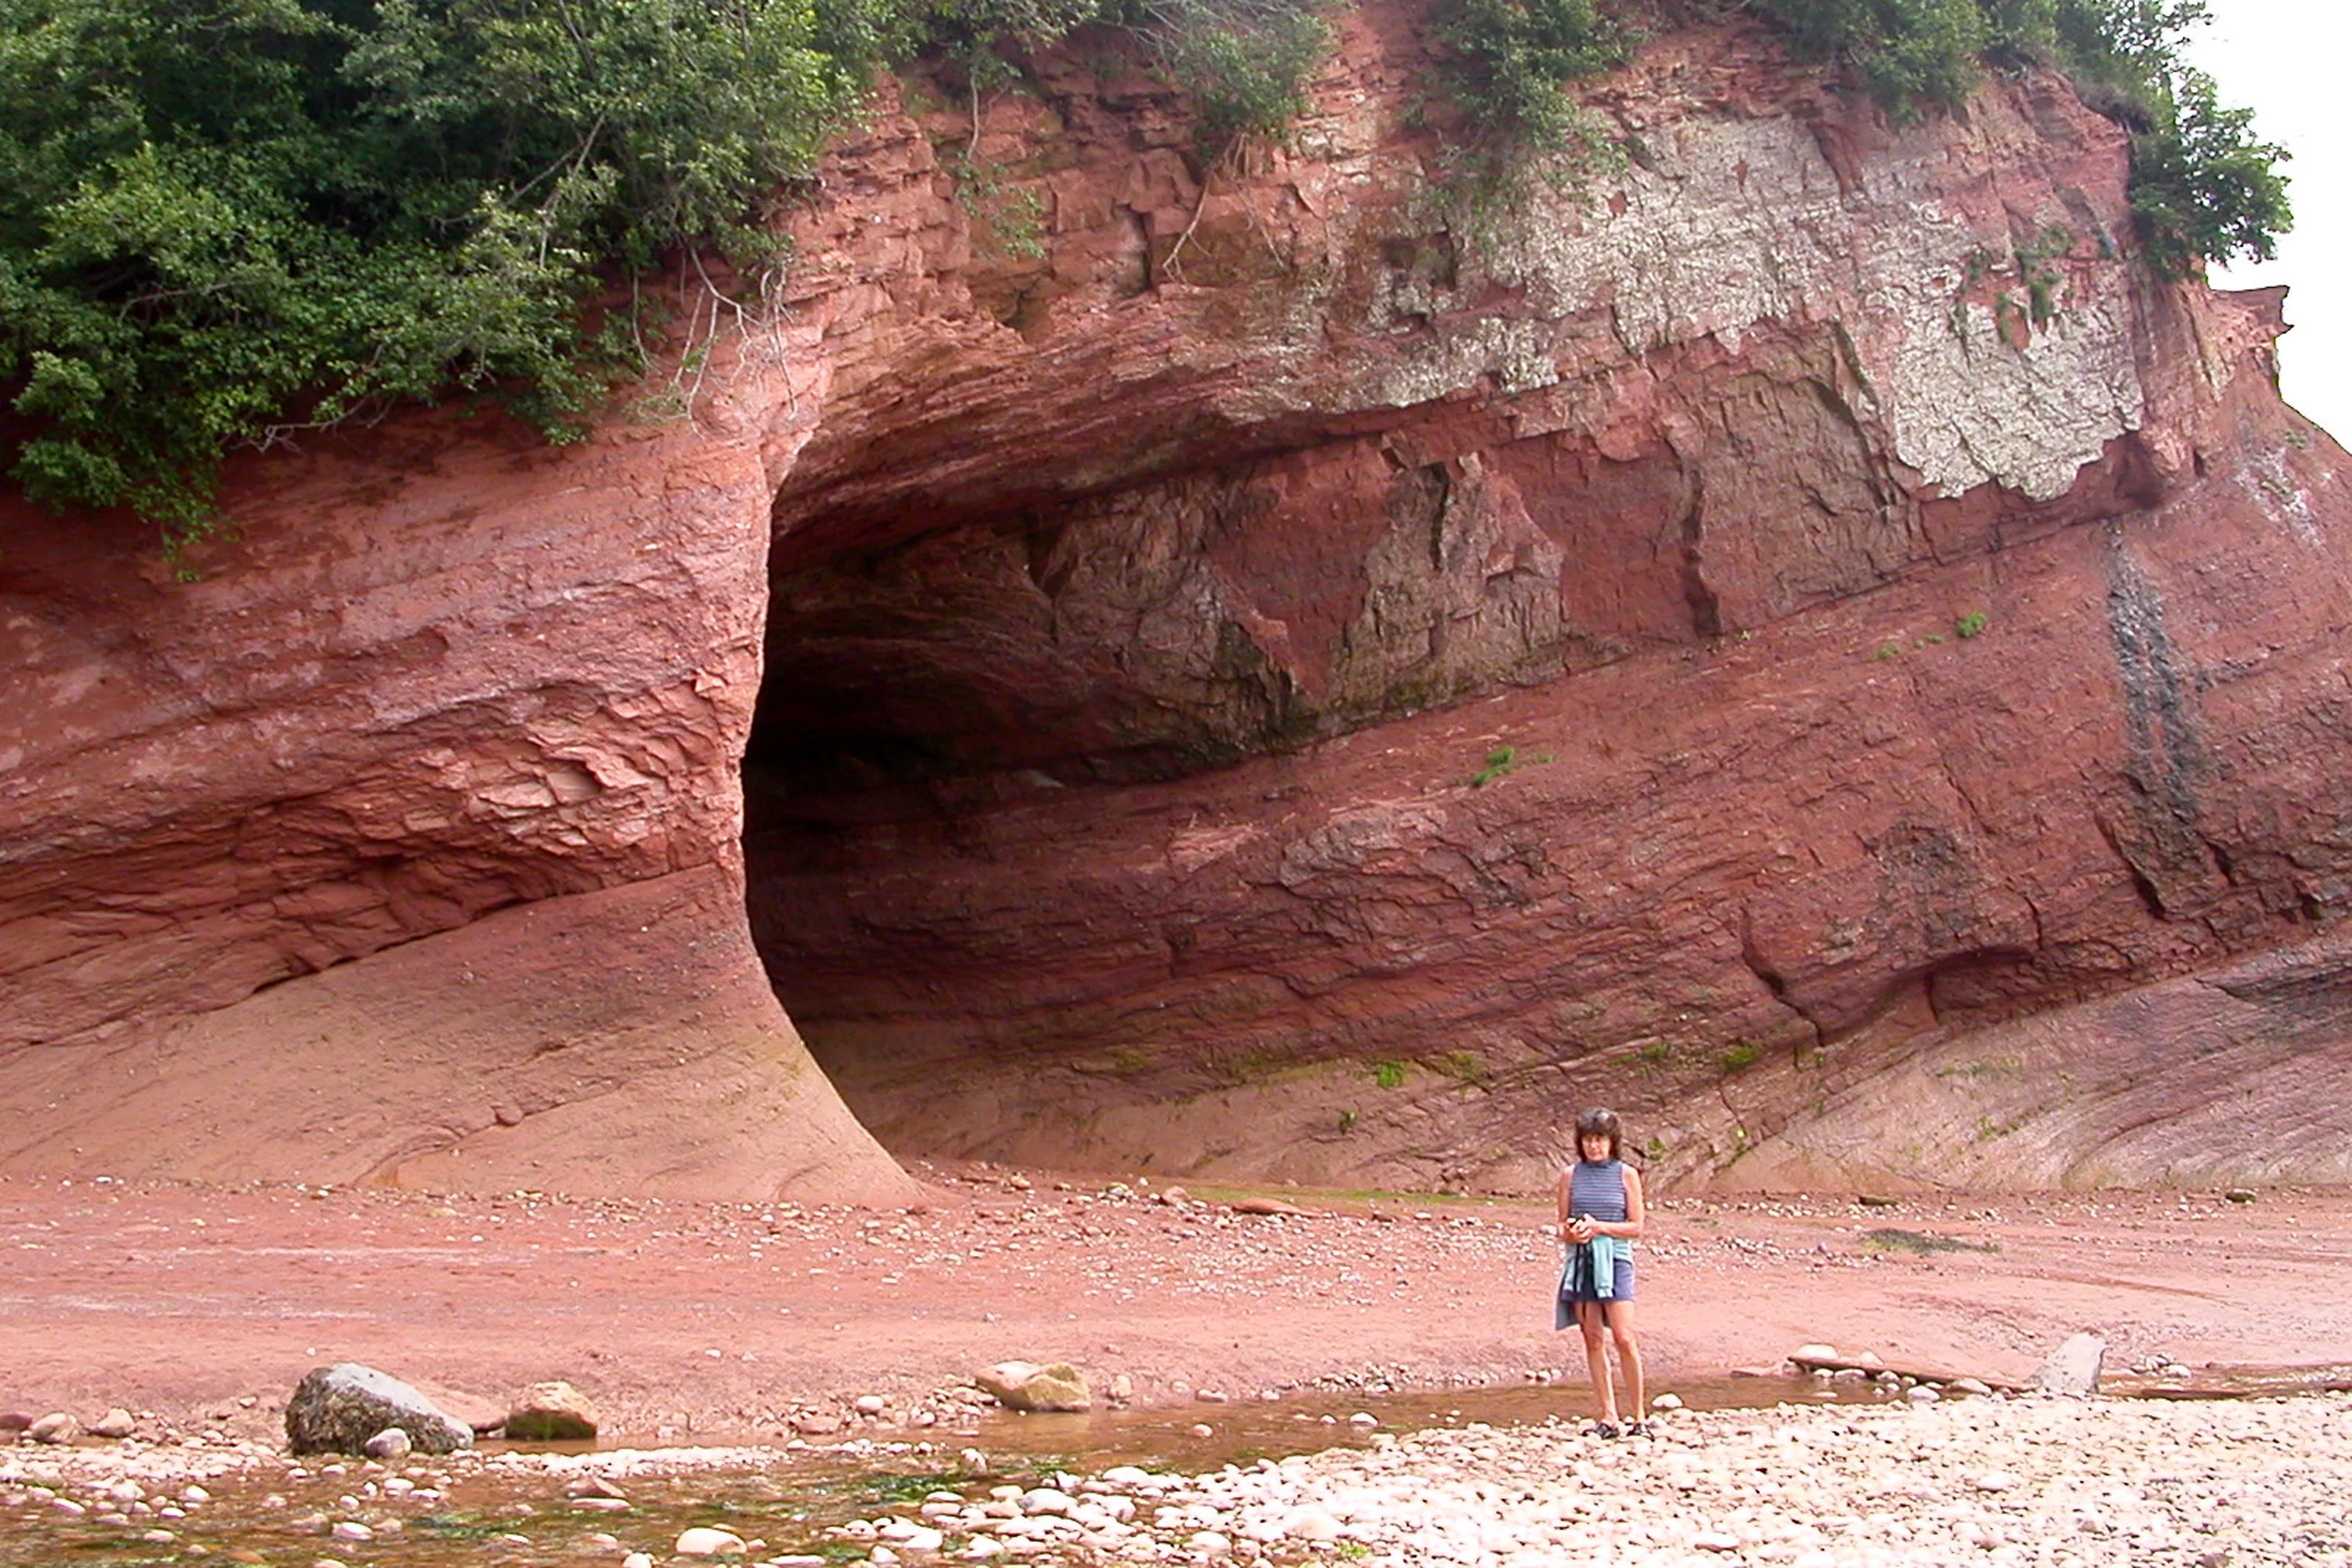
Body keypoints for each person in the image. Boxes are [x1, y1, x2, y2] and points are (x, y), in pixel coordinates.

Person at [1555, 1106, 1647, 1436]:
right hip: (1581, 1261)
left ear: (1612, 1142)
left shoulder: (1627, 1175)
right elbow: (1562, 1224)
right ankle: (1608, 1416)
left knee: (1624, 1337)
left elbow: (1636, 1227)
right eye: (1588, 1140)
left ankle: (1638, 1416)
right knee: (1592, 1338)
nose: (1594, 1146)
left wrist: (1599, 1228)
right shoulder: (1570, 1176)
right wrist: (1574, 1233)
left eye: (1600, 1140)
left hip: (1617, 1259)